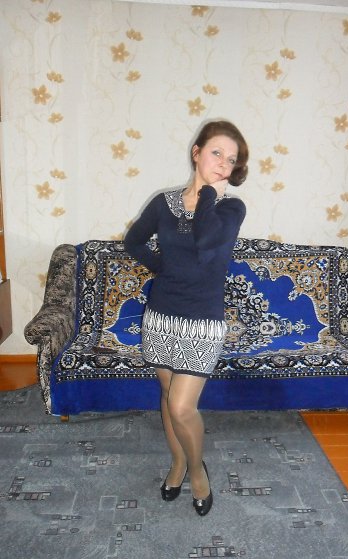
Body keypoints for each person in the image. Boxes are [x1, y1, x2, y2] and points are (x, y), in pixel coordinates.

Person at [124, 120, 249, 516]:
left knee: (181, 407)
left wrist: (208, 193)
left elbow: (206, 240)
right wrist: (162, 267)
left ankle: (197, 470)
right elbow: (133, 240)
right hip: (161, 316)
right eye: (217, 152)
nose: (224, 163)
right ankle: (177, 462)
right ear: (196, 152)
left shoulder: (230, 208)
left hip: (202, 320)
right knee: (167, 396)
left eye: (231, 159)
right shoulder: (164, 203)